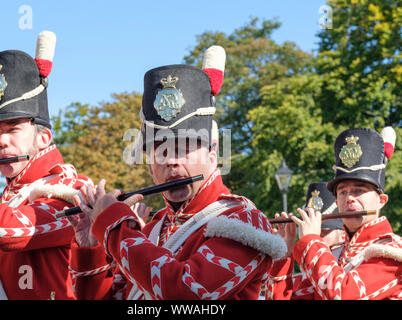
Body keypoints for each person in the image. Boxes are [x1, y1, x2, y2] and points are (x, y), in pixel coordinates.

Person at [68, 46, 287, 300]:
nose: (171, 161)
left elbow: (186, 295)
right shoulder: (149, 231)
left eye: (183, 149)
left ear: (212, 156)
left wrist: (114, 225)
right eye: (160, 152)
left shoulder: (243, 221)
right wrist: (91, 248)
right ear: (150, 166)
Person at [0, 31, 92, 300]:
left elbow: (8, 233)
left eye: (13, 129)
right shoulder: (1, 204)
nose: (1, 142)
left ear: (43, 138)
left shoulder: (70, 190)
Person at [270, 127, 401, 300]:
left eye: (359, 190)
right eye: (343, 192)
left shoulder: (392, 250)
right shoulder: (332, 254)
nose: (349, 198)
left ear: (381, 201)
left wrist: (311, 241)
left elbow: (343, 294)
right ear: (337, 201)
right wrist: (283, 256)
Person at [264, 182, 346, 299]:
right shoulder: (296, 280)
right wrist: (283, 254)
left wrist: (312, 239)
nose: (315, 235)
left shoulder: (350, 271)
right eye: (309, 231)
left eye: (323, 232)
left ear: (343, 234)